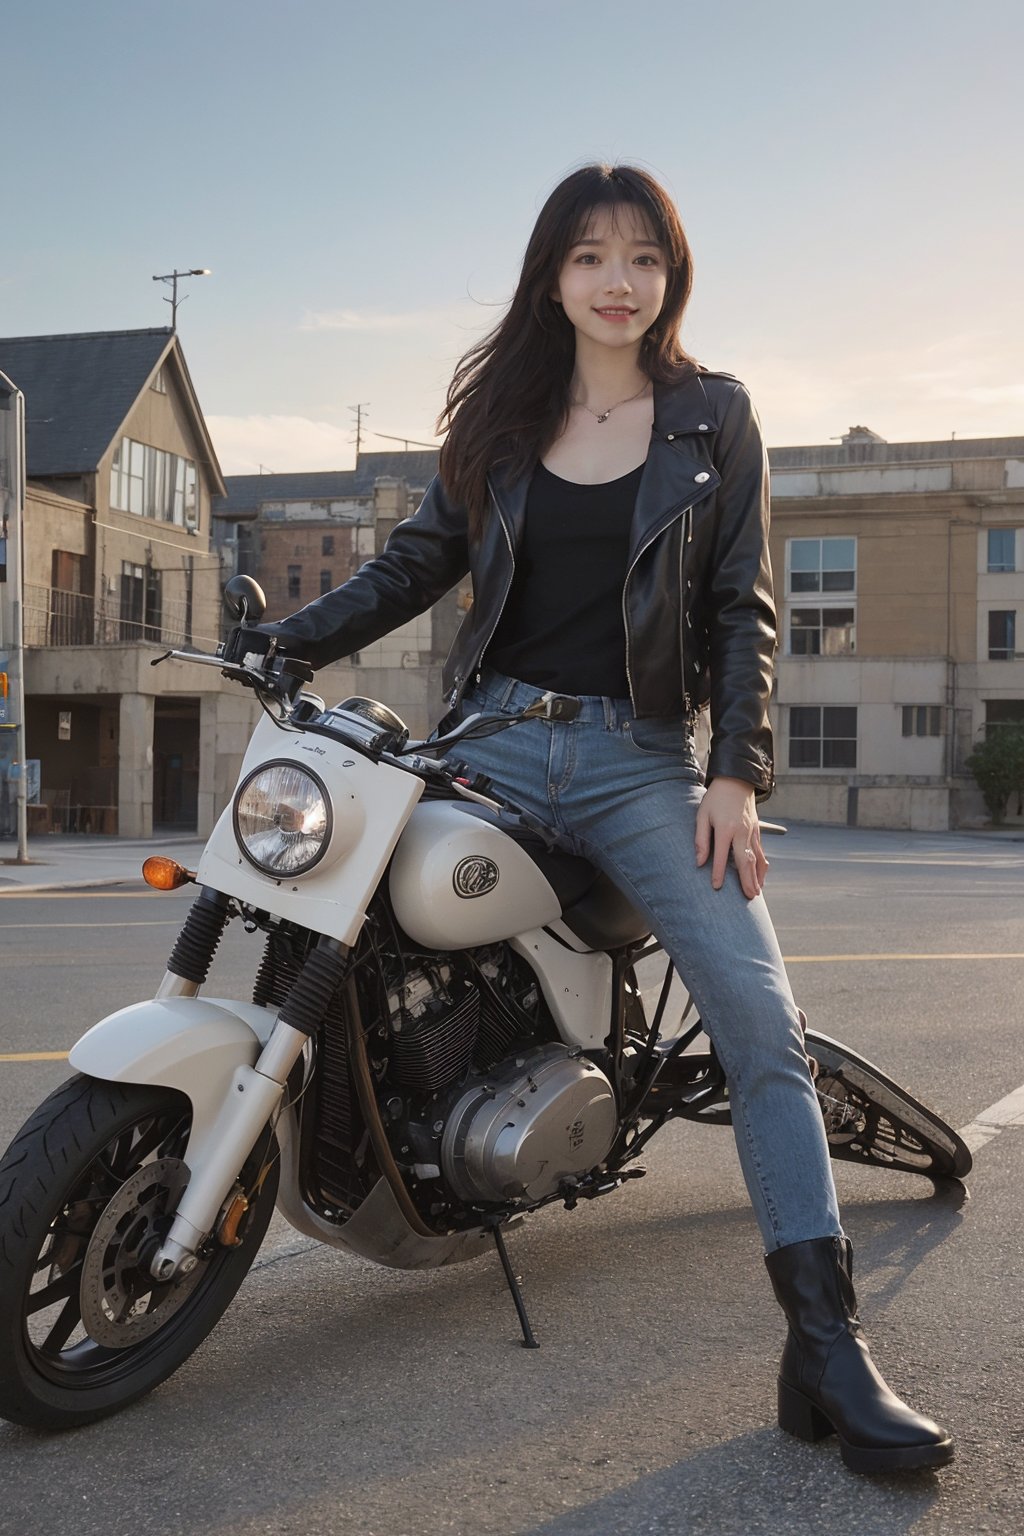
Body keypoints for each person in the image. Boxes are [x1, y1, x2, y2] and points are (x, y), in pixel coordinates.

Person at [243, 164, 953, 1473]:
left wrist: (733, 774)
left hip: (639, 765)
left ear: (671, 276)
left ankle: (826, 1345)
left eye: (643, 257)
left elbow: (742, 605)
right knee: (334, 906)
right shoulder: (501, 419)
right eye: (589, 257)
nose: (617, 280)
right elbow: (415, 566)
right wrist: (283, 642)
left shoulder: (712, 418)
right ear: (551, 275)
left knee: (763, 1032)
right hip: (491, 743)